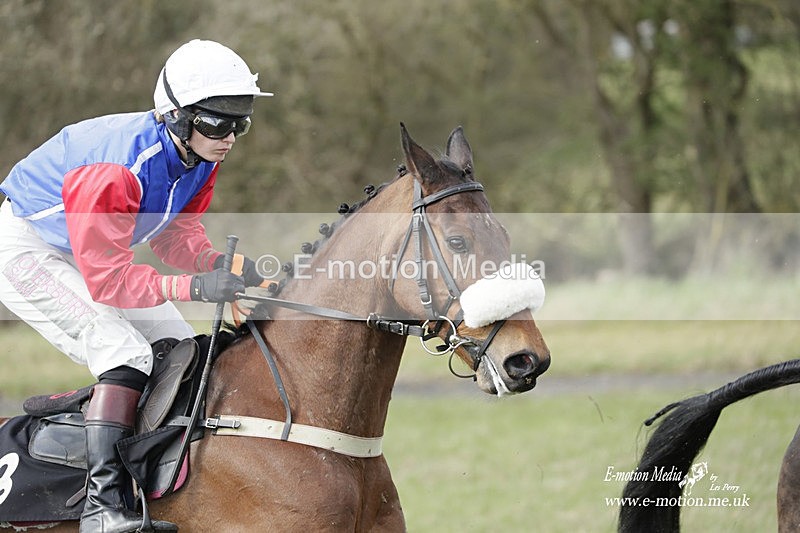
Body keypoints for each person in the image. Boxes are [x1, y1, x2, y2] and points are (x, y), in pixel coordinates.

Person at [0, 39, 271, 532]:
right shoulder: (115, 171)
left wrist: (224, 266)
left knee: (180, 350)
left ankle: (153, 477)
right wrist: (197, 288)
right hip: (27, 249)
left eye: (240, 123)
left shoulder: (200, 156)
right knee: (123, 352)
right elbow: (108, 282)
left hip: (88, 251)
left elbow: (175, 233)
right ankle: (101, 507)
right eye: (216, 122)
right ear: (175, 116)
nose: (228, 137)